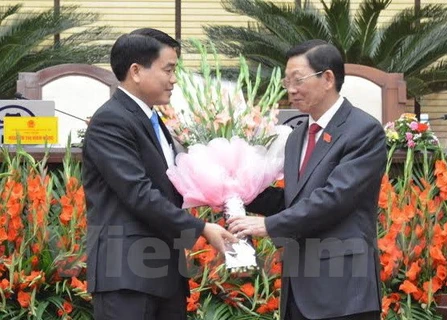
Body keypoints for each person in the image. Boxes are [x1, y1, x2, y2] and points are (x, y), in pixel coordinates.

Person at [82, 28, 237, 320]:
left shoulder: (151, 119)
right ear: (136, 71)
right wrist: (202, 229)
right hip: (127, 277)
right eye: (168, 69)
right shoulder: (111, 121)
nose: (174, 79)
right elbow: (138, 193)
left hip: (163, 275)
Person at [228, 40, 386, 320]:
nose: (290, 89)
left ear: (327, 79)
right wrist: (237, 191)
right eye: (286, 81)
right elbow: (294, 199)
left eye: (298, 80)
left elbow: (334, 198)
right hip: (298, 289)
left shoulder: (363, 130)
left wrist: (268, 226)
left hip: (343, 292)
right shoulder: (296, 135)